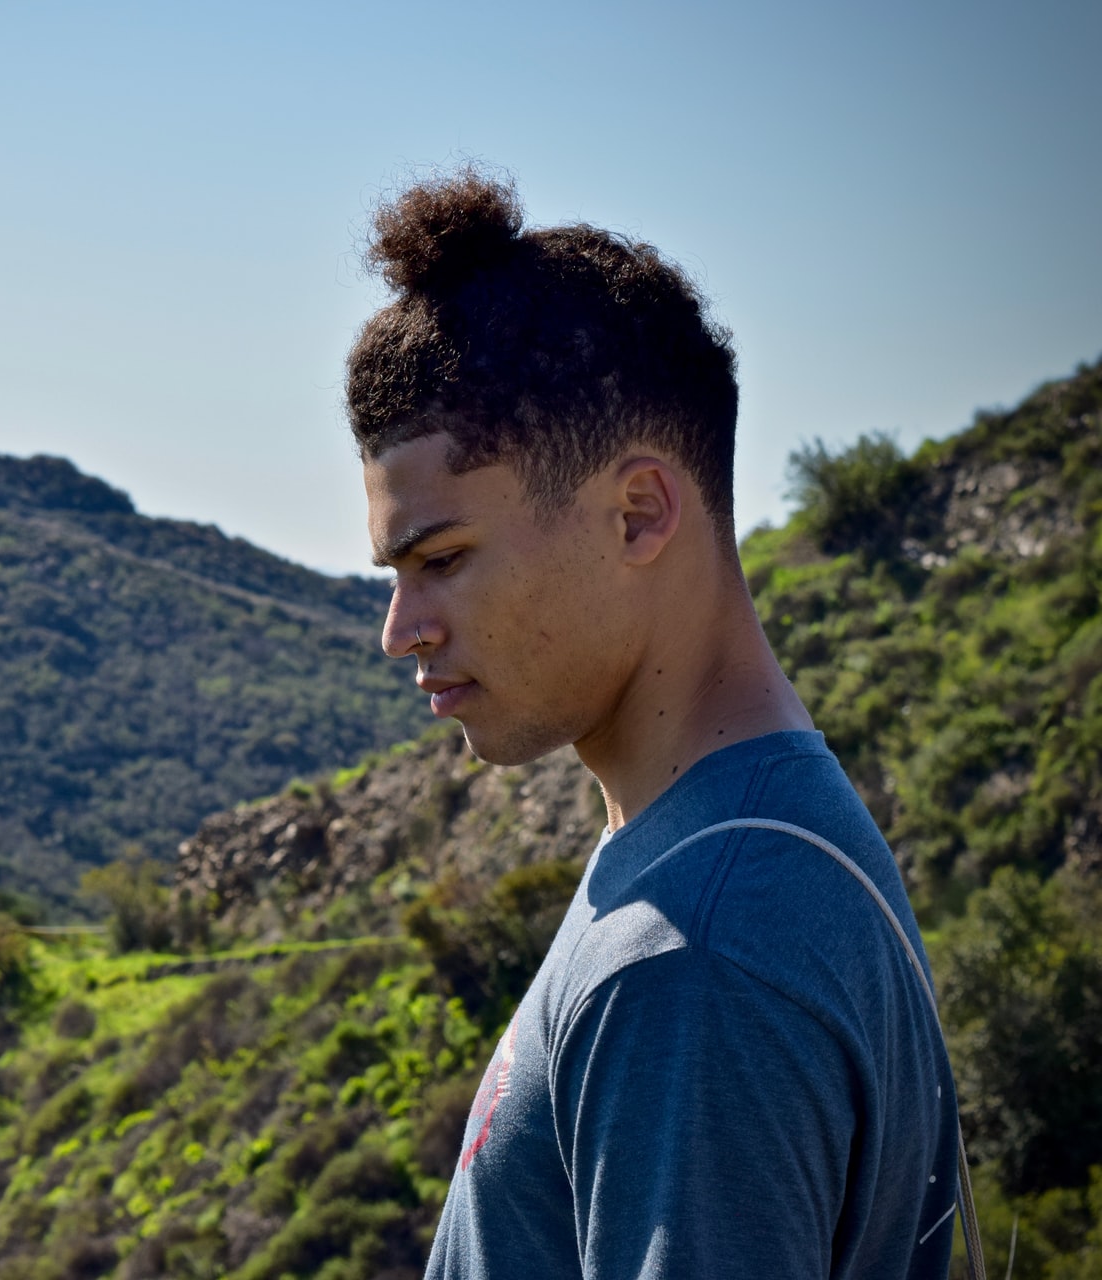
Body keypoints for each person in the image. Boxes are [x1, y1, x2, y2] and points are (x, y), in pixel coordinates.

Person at [349, 170, 968, 1279]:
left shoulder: (697, 952)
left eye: (441, 561)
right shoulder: (743, 843)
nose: (402, 629)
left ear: (638, 512)